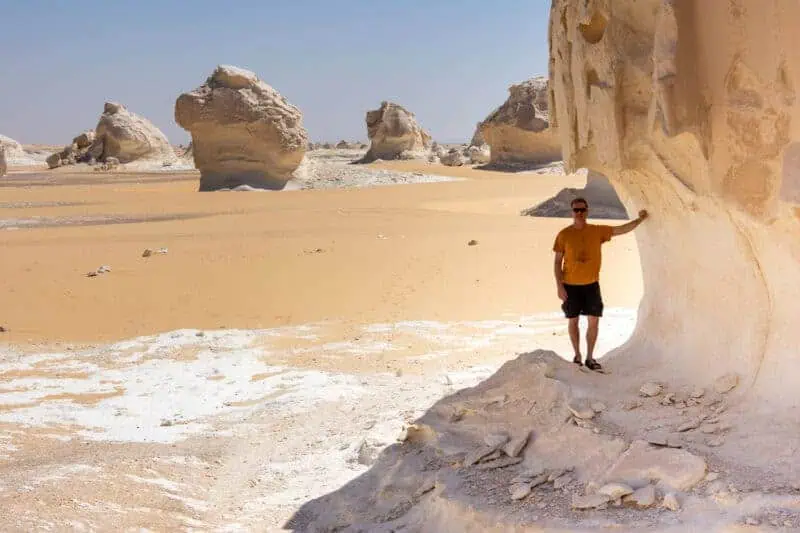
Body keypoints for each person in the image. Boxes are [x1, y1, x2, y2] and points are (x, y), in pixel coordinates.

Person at [552, 197, 648, 371]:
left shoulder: (597, 231)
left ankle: (589, 357)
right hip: (570, 286)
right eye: (576, 210)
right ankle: (577, 356)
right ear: (571, 212)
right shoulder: (564, 234)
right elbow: (557, 262)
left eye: (582, 210)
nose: (579, 213)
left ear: (587, 211)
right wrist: (559, 286)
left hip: (591, 285)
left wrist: (640, 220)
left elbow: (620, 230)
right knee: (572, 321)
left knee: (594, 321)